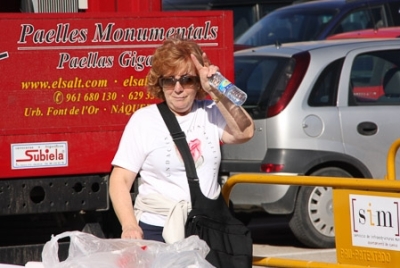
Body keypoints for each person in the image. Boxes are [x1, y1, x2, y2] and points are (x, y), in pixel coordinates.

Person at [109, 36, 254, 243]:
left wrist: (217, 88)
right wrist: (130, 225)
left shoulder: (210, 112)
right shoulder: (144, 120)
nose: (178, 88)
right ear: (160, 83)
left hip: (207, 228)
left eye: (187, 80)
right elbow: (120, 179)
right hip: (157, 231)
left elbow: (245, 132)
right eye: (169, 80)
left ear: (197, 84)